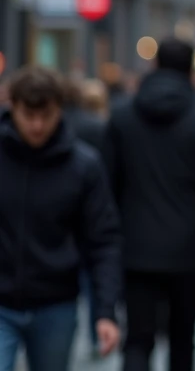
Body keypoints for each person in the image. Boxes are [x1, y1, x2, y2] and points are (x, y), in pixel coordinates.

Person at [104, 38, 195, 371]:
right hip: (190, 248)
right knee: (183, 339)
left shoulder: (123, 116)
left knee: (138, 339)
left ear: (154, 65)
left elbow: (106, 186)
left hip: (136, 246)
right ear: (192, 70)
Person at [0, 67, 122, 371]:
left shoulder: (83, 165)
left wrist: (105, 311)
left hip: (56, 303)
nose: (37, 125)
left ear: (60, 111)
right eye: (29, 115)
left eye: (47, 115)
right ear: (12, 107)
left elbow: (103, 240)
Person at [62, 78, 110, 358]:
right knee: (91, 275)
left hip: (63, 216)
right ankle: (96, 331)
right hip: (90, 209)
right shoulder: (97, 126)